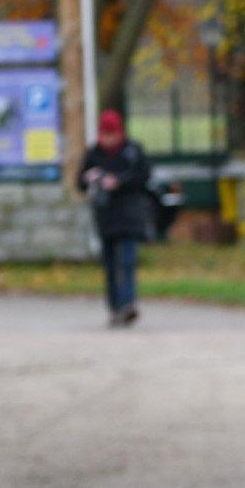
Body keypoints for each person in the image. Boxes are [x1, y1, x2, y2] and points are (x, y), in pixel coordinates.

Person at [77, 107, 161, 326]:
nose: (109, 139)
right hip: (106, 217)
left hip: (130, 216)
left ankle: (128, 304)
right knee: (110, 266)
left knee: (126, 262)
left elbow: (144, 176)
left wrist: (119, 182)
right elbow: (80, 182)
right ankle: (115, 308)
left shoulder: (132, 151)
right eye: (106, 134)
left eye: (112, 134)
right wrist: (91, 178)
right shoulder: (94, 154)